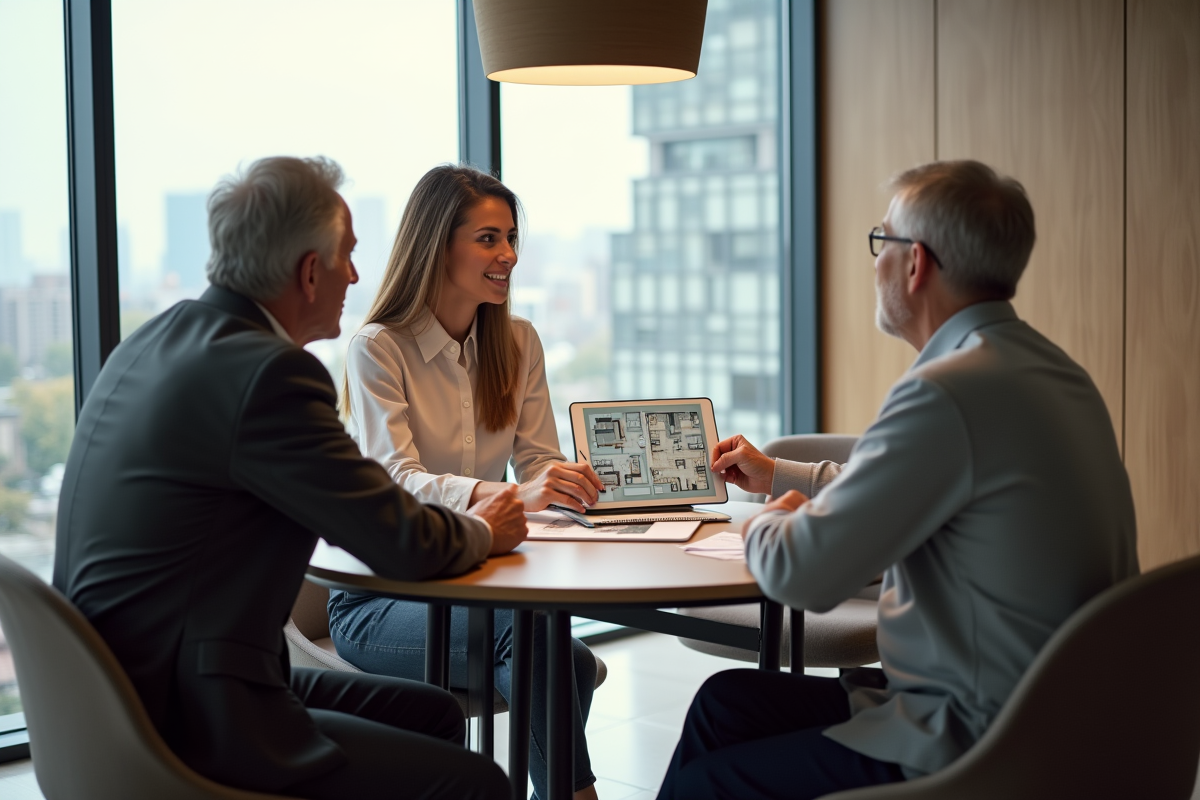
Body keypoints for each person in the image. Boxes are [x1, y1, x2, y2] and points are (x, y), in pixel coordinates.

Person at [656, 159, 1139, 800]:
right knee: (727, 704)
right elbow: (904, 486)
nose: (874, 260)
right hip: (1069, 716)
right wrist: (779, 476)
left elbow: (803, 575)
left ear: (916, 265)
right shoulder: (1050, 373)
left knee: (706, 785)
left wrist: (776, 520)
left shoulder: (945, 393)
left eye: (880, 241)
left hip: (981, 741)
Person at [53, 156, 525, 800]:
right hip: (185, 710)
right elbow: (397, 539)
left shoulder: (156, 339)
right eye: (347, 257)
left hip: (114, 693)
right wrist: (482, 529)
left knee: (433, 714)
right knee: (479, 784)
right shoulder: (268, 375)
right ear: (310, 272)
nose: (356, 276)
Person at [329, 164, 606, 800]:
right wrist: (502, 496)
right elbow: (396, 479)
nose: (507, 254)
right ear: (437, 243)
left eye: (512, 238)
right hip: (378, 597)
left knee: (571, 660)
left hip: (472, 583)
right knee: (544, 646)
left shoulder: (518, 342)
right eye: (488, 238)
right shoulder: (378, 347)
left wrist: (563, 485)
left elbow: (537, 465)